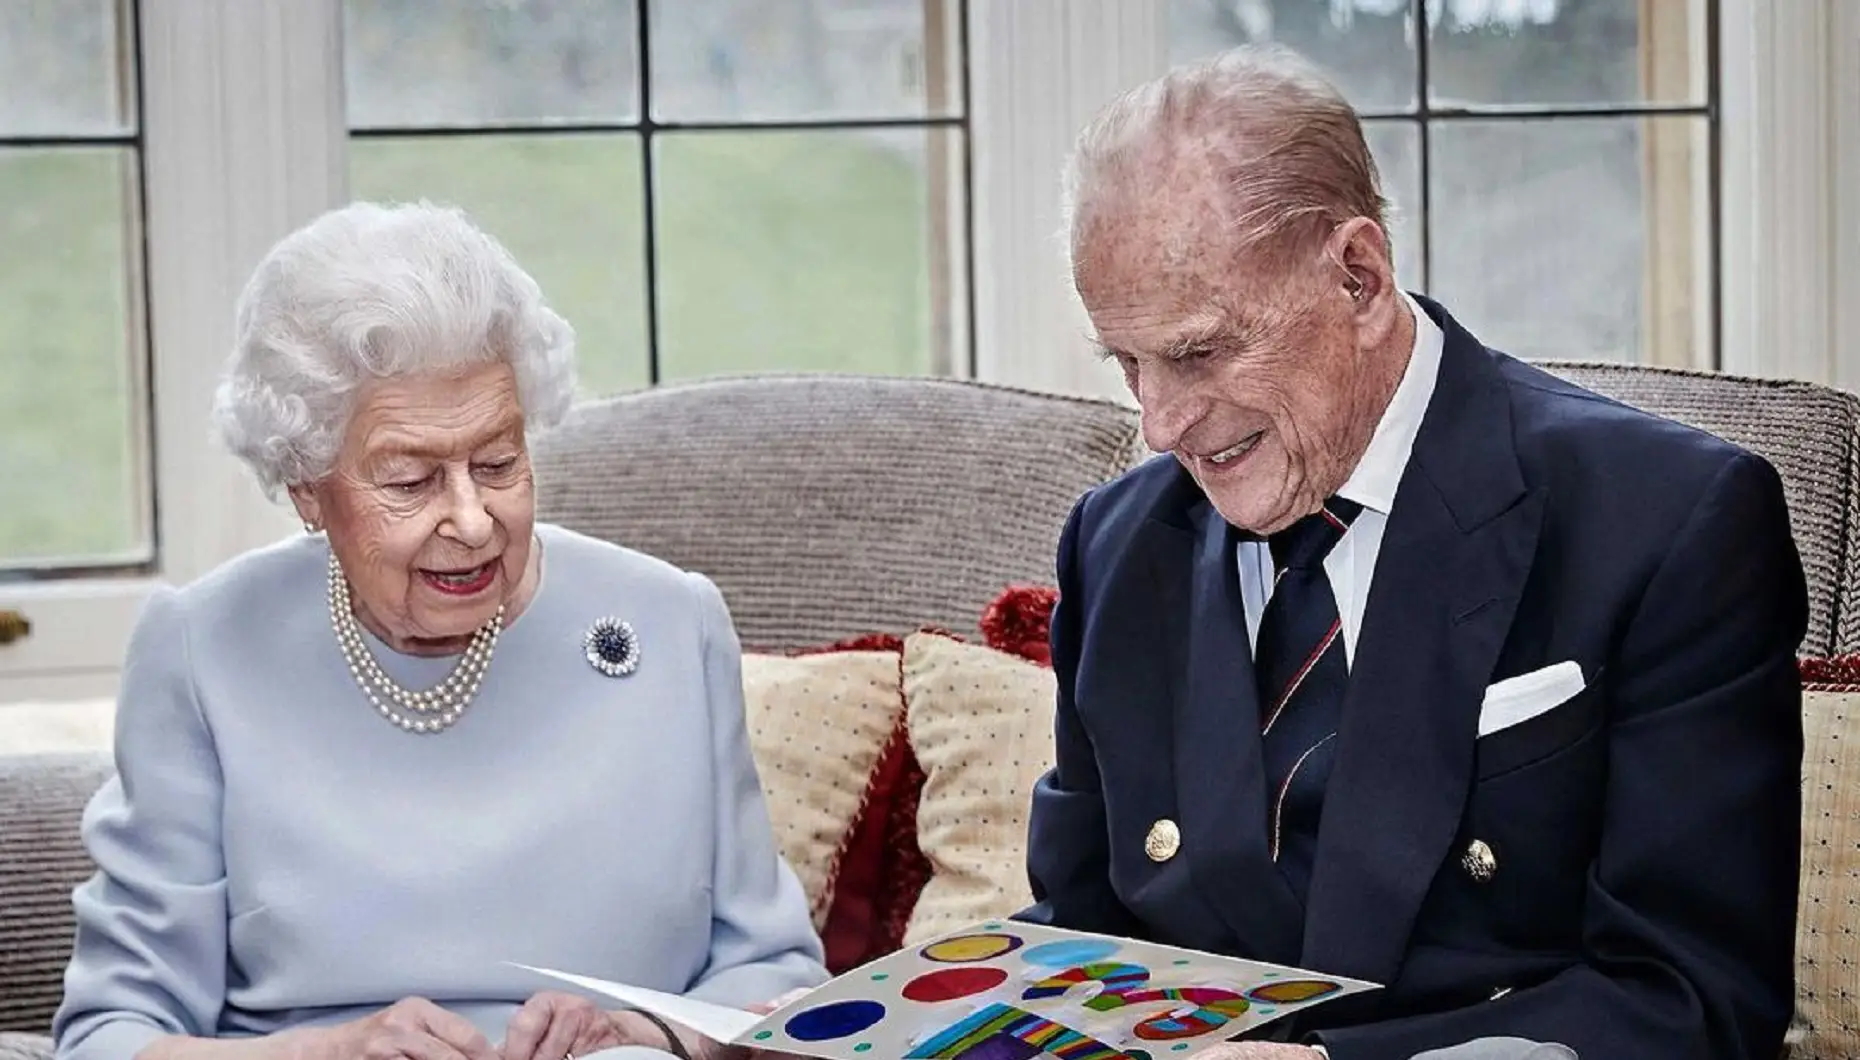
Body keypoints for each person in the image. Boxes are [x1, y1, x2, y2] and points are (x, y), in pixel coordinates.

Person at [1019, 45, 1805, 1060]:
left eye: (1199, 352)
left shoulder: (1670, 522)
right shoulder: (1114, 544)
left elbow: (1692, 1002)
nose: (1160, 424)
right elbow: (1080, 943)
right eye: (1126, 361)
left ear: (1359, 277)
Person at [53, 201, 828, 1060]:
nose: (472, 519)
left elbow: (773, 970)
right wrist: (332, 1052)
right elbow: (108, 1038)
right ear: (307, 488)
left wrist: (637, 1031)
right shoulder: (203, 648)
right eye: (411, 480)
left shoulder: (671, 621)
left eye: (498, 462)